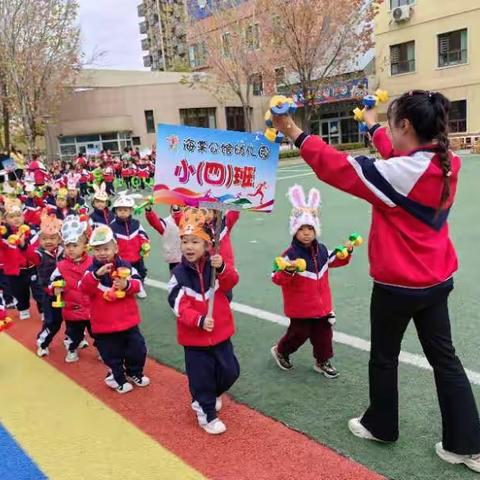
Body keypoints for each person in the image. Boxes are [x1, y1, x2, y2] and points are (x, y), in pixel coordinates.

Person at [272, 89, 480, 472]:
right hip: (436, 281)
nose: (386, 129)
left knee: (384, 358)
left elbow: (338, 168)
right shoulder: (446, 161)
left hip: (397, 286)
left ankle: (381, 425)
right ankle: (467, 444)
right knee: (446, 360)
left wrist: (293, 132)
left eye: (389, 122)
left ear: (405, 126)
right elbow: (398, 155)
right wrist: (371, 126)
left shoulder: (399, 173)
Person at [168, 208, 240, 435]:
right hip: (195, 340)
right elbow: (177, 303)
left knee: (231, 371)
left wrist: (223, 268)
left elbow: (230, 283)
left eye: (195, 242)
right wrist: (198, 320)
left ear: (208, 245)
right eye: (185, 241)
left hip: (220, 334)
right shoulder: (179, 273)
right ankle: (206, 412)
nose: (189, 246)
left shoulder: (214, 267)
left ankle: (208, 396)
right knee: (202, 379)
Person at [271, 184, 351, 378]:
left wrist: (346, 252)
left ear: (316, 230)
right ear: (294, 231)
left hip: (322, 306)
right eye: (301, 228)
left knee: (324, 335)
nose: (306, 232)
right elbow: (276, 277)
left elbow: (334, 260)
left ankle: (322, 361)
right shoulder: (289, 255)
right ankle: (281, 350)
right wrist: (288, 271)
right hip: (300, 308)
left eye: (310, 228)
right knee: (298, 334)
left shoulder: (322, 250)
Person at [78, 225, 149, 394]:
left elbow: (138, 285)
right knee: (112, 355)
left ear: (115, 248)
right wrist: (96, 275)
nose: (102, 253)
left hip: (128, 321)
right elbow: (83, 288)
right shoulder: (91, 271)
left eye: (106, 248)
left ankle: (134, 372)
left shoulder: (126, 266)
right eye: (97, 249)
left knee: (138, 349)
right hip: (104, 325)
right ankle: (116, 378)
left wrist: (127, 285)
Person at [50, 215, 93, 363]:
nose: (71, 249)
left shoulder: (92, 263)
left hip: (92, 308)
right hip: (72, 308)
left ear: (84, 246)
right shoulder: (61, 266)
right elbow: (52, 282)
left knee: (98, 333)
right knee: (73, 333)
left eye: (75, 245)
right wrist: (54, 288)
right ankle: (72, 348)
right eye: (68, 246)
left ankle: (103, 350)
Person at [0, 198, 44, 320]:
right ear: (5, 219)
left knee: (39, 291)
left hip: (32, 267)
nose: (16, 219)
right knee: (19, 292)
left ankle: (43, 310)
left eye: (19, 215)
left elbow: (36, 246)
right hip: (15, 270)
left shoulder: (31, 230)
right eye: (12, 216)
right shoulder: (4, 235)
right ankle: (23, 308)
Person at [30, 213, 64, 357]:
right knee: (52, 321)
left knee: (77, 319)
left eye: (52, 238)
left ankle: (74, 340)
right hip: (49, 293)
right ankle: (42, 342)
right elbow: (30, 256)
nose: (48, 241)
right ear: (39, 240)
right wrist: (24, 246)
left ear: (60, 239)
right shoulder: (39, 254)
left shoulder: (65, 250)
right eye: (44, 239)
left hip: (67, 291)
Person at [109, 193, 150, 298]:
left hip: (137, 256)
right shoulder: (112, 227)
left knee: (141, 272)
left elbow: (142, 234)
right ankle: (127, 287)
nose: (122, 212)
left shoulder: (136, 223)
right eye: (120, 210)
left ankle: (140, 286)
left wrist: (145, 243)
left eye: (125, 210)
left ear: (131, 211)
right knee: (125, 275)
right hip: (123, 259)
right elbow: (110, 243)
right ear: (115, 211)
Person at [145, 204, 182, 273]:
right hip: (176, 258)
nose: (175, 211)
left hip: (192, 257)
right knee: (176, 280)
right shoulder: (167, 222)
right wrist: (149, 211)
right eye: (173, 209)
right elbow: (155, 223)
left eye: (178, 208)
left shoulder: (190, 219)